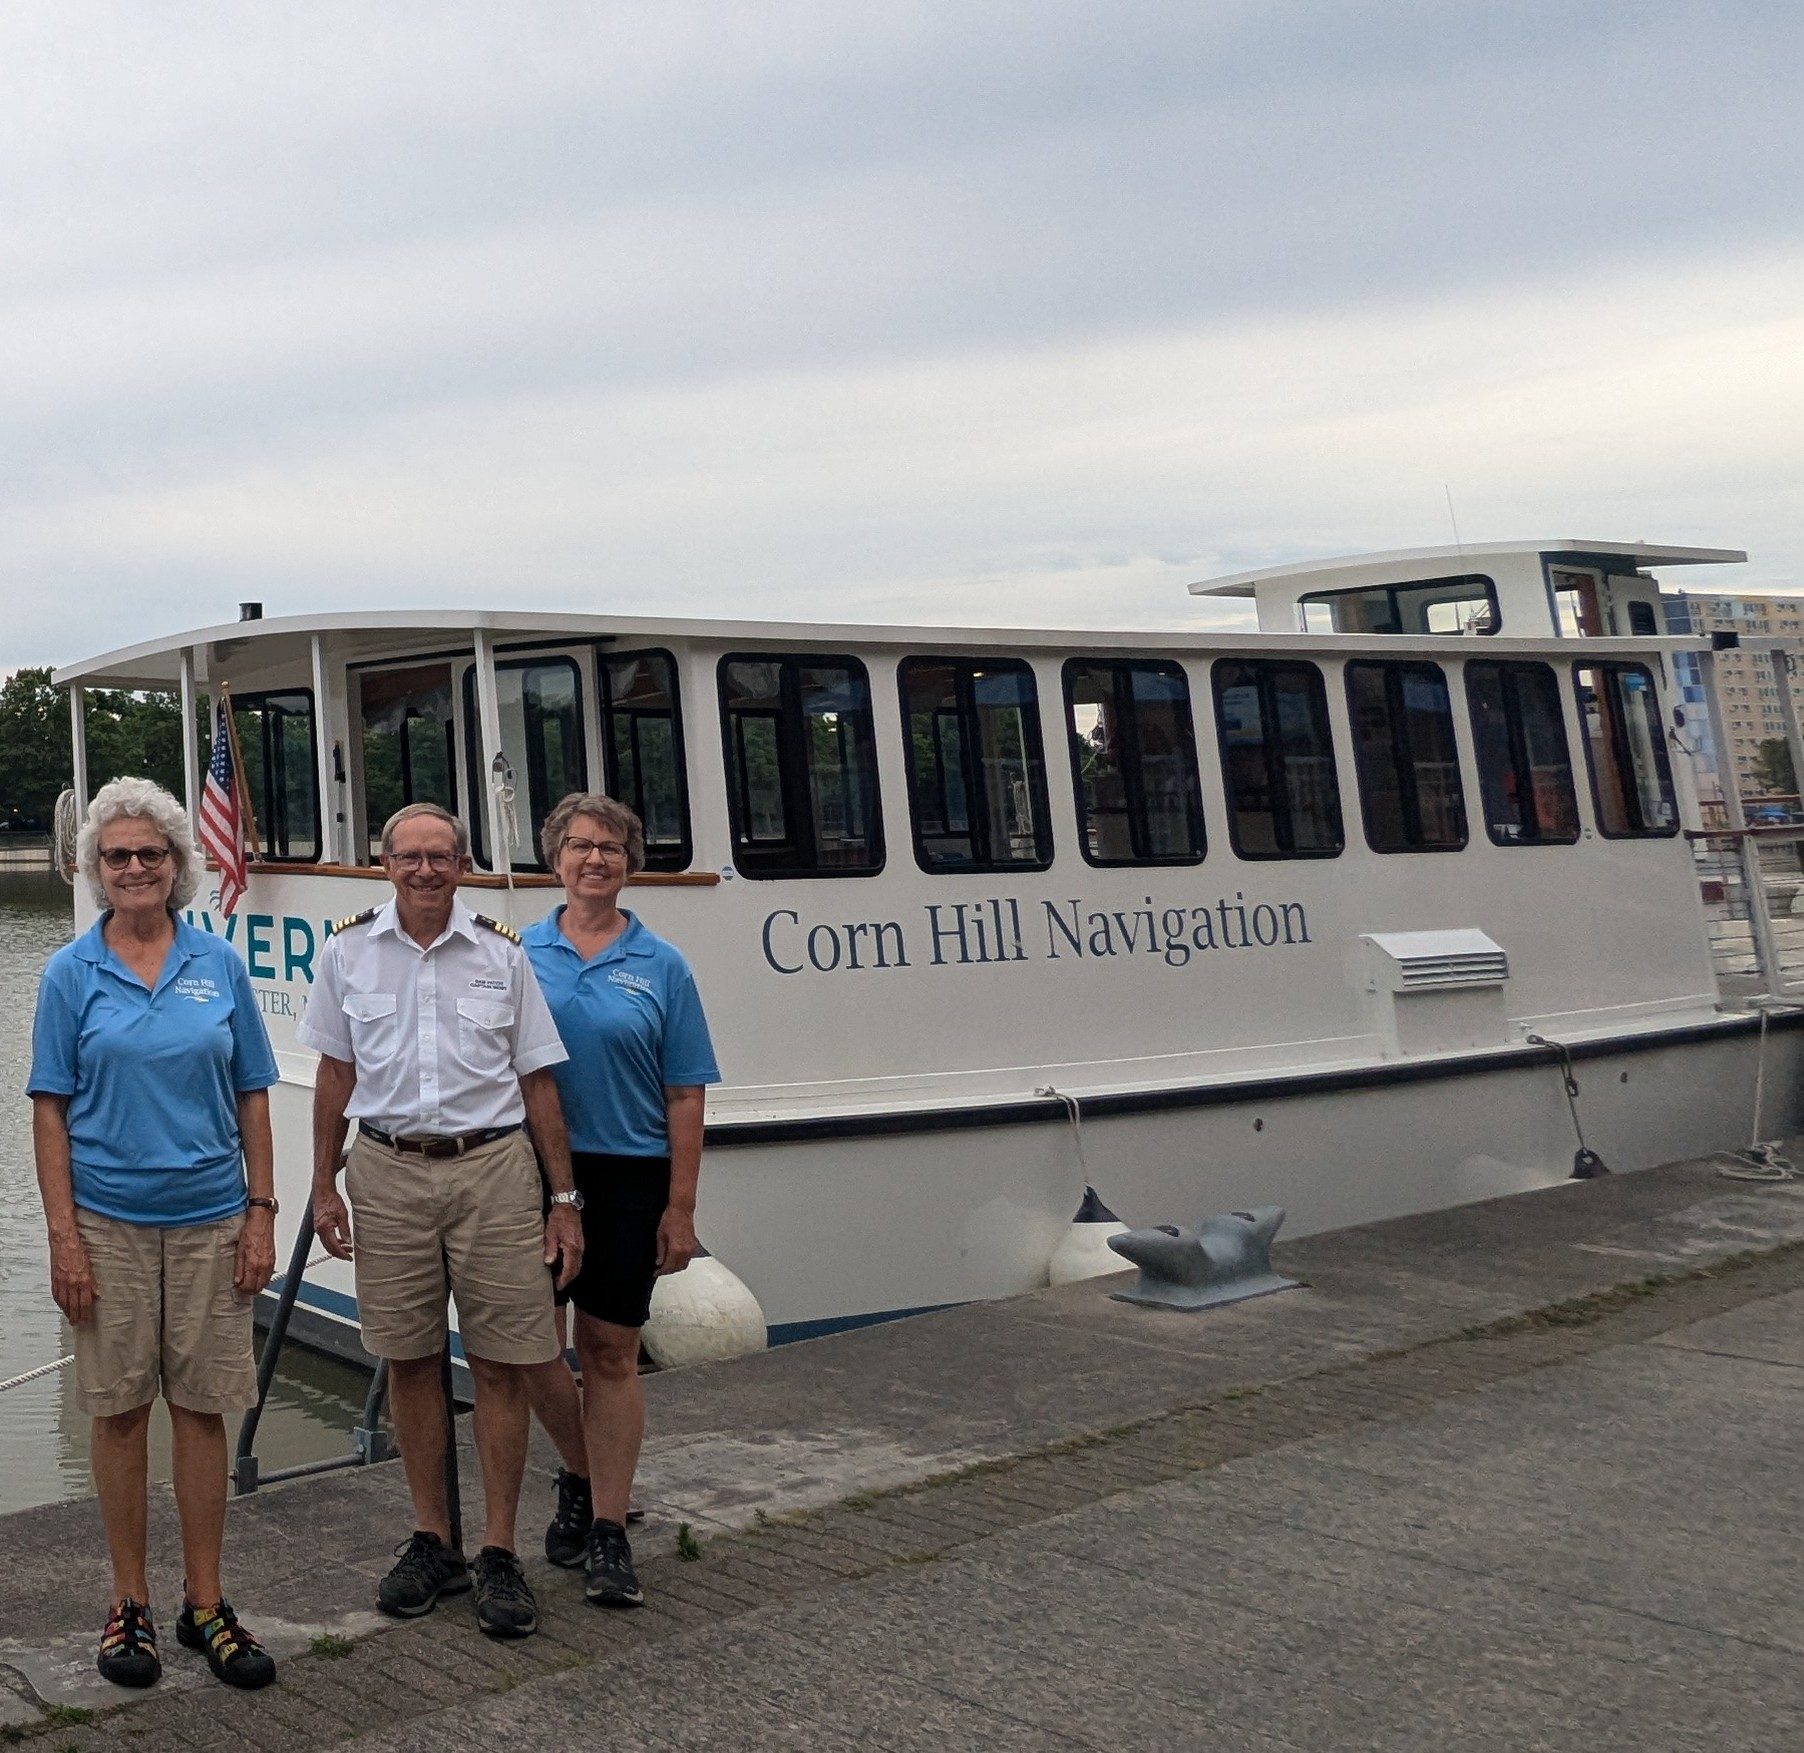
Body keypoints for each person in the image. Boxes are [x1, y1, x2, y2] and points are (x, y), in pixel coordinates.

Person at [299, 801, 586, 1639]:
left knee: (502, 1362)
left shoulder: (503, 952)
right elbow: (333, 1075)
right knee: (409, 1358)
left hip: (494, 1166)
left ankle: (499, 1547)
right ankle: (435, 1537)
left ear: (462, 863)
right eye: (409, 856)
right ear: (384, 864)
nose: (425, 869)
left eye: (440, 856)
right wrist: (323, 1186)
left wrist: (563, 1199)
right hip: (387, 1168)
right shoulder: (347, 951)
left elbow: (539, 1081)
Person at [28, 778, 280, 1692]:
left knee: (205, 1408)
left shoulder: (219, 964)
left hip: (214, 1220)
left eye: (151, 853)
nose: (134, 867)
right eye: (116, 855)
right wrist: (63, 1237)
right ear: (95, 870)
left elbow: (253, 1089)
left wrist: (262, 1210)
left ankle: (204, 1602)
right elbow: (49, 1109)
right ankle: (127, 1599)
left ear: (178, 865)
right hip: (108, 1224)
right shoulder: (69, 973)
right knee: (120, 1410)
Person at [521, 793, 720, 1608]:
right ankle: (579, 1465)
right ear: (555, 858)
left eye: (609, 846)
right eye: (578, 845)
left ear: (629, 863)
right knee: (532, 1345)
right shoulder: (517, 951)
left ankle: (606, 1525)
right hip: (529, 1169)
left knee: (608, 1347)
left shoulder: (662, 964)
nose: (593, 858)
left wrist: (682, 1207)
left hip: (629, 1170)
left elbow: (685, 1094)